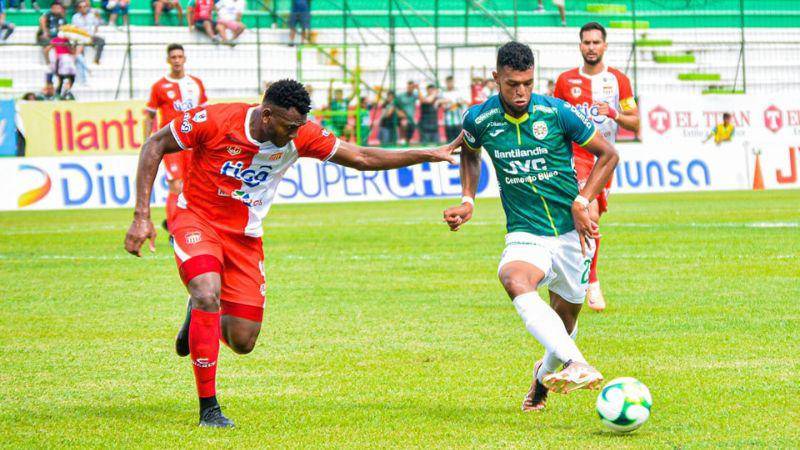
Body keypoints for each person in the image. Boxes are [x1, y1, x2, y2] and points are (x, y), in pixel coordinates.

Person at [124, 79, 462, 428]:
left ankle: (198, 314)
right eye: (290, 127)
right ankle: (209, 408)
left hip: (245, 237)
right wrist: (141, 216)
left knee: (243, 341)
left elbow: (361, 157)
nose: (296, 134)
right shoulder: (214, 120)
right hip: (198, 219)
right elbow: (155, 144)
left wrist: (428, 154)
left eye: (300, 126)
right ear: (266, 115)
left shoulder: (299, 133)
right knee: (207, 291)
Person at [443, 41, 618, 413]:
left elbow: (609, 154)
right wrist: (468, 199)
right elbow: (470, 155)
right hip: (525, 231)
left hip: (571, 234)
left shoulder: (557, 113)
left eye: (526, 83)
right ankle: (575, 363)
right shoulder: (479, 119)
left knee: (565, 319)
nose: (520, 92)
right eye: (511, 84)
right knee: (514, 278)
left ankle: (543, 375)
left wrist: (582, 199)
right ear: (496, 79)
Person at [553, 21, 640, 312]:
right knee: (586, 213)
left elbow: (635, 120)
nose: (591, 47)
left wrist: (613, 113)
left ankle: (581, 276)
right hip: (575, 158)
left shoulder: (618, 80)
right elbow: (555, 119)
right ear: (580, 46)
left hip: (603, 160)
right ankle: (591, 282)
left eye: (595, 42)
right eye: (586, 42)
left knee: (592, 221)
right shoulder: (565, 81)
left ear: (604, 45)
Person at [144, 43, 208, 233]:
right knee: (175, 185)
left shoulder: (196, 83)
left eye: (180, 57)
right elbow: (149, 115)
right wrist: (147, 142)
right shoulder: (159, 86)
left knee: (193, 187)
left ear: (185, 59)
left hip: (193, 143)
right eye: (174, 57)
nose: (177, 60)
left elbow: (204, 113)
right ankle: (174, 230)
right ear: (168, 60)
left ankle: (189, 225)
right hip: (171, 144)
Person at [71, 0, 104, 65]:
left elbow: (100, 23)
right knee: (77, 44)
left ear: (87, 7)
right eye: (80, 7)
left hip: (90, 36)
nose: (83, 8)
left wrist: (98, 17)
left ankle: (96, 60)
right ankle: (79, 61)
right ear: (78, 8)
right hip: (80, 37)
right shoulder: (75, 17)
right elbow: (74, 28)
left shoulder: (92, 15)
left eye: (84, 6)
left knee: (101, 41)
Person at [438, 75, 467, 142]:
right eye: (448, 82)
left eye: (451, 82)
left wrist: (458, 103)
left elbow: (464, 102)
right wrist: (444, 102)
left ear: (454, 82)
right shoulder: (443, 93)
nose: (450, 84)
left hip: (458, 121)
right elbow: (439, 104)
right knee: (450, 142)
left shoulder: (459, 92)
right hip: (448, 121)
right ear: (446, 83)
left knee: (460, 142)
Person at [395, 80, 419, 145]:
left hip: (411, 120)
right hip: (403, 119)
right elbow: (394, 105)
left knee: (409, 138)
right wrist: (399, 112)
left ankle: (406, 142)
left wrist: (418, 88)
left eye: (412, 87)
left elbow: (423, 100)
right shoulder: (400, 96)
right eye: (409, 87)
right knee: (403, 127)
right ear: (407, 87)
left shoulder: (414, 96)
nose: (411, 89)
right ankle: (401, 140)